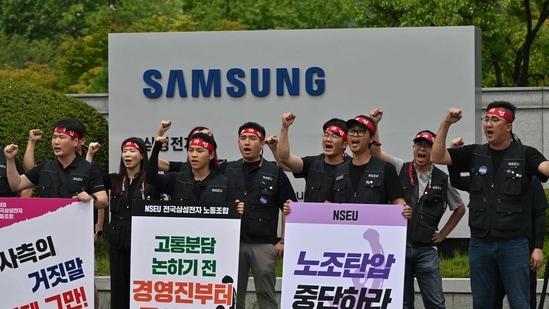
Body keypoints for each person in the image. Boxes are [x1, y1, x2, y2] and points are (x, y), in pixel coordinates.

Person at [430, 102, 549, 308]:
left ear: (508, 126)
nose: (489, 124)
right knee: (483, 303)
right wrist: (446, 123)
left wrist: (537, 247)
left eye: (495, 120)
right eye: (487, 119)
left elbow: (544, 168)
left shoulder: (525, 154)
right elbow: (437, 156)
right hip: (480, 244)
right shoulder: (475, 153)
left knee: (520, 302)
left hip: (513, 245)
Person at [369, 108, 465, 309]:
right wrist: (375, 124)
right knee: (402, 303)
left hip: (426, 250)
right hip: (399, 248)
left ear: (433, 149)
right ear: (413, 148)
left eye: (427, 146)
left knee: (436, 303)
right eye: (418, 145)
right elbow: (376, 152)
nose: (422, 149)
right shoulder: (399, 167)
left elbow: (459, 208)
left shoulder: (442, 178)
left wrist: (444, 234)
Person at [447, 136, 547, 309]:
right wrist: (454, 155)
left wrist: (538, 248)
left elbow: (539, 213)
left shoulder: (530, 177)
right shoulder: (487, 179)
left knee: (522, 300)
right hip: (486, 245)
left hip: (518, 247)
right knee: (489, 300)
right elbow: (457, 181)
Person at [24, 126, 105, 309]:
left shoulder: (89, 169)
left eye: (61, 137)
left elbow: (101, 201)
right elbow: (25, 176)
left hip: (77, 236)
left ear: (77, 142)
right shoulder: (48, 167)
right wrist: (28, 145)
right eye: (54, 137)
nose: (56, 141)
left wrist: (98, 229)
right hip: (47, 239)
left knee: (82, 278)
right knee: (49, 278)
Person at [219, 121, 296, 309]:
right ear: (238, 142)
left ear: (262, 144)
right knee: (233, 294)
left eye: (252, 139)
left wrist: (283, 241)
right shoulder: (227, 169)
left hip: (263, 244)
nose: (247, 143)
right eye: (243, 139)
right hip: (233, 243)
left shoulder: (274, 171)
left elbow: (289, 206)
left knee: (266, 295)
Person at [87, 137, 159, 309]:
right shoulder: (115, 180)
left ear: (142, 155)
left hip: (143, 245)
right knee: (119, 288)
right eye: (125, 151)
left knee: (141, 287)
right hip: (118, 243)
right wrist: (89, 154)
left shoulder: (152, 182)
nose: (127, 155)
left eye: (132, 151)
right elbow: (88, 178)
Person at [331, 114, 412, 218]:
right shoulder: (339, 170)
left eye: (361, 131)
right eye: (351, 131)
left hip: (373, 231)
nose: (355, 135)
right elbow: (328, 204)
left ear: (371, 138)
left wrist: (405, 210)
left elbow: (398, 201)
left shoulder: (385, 169)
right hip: (344, 231)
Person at [147, 131, 244, 210]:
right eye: (191, 150)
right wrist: (156, 148)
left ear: (211, 155)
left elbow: (231, 218)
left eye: (199, 151)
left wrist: (236, 210)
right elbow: (150, 178)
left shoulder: (224, 183)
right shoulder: (176, 179)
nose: (194, 155)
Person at [278, 112, 351, 202]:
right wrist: (285, 128)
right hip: (312, 216)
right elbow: (284, 158)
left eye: (334, 136)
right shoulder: (312, 164)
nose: (328, 139)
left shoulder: (352, 167)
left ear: (345, 144)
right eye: (326, 135)